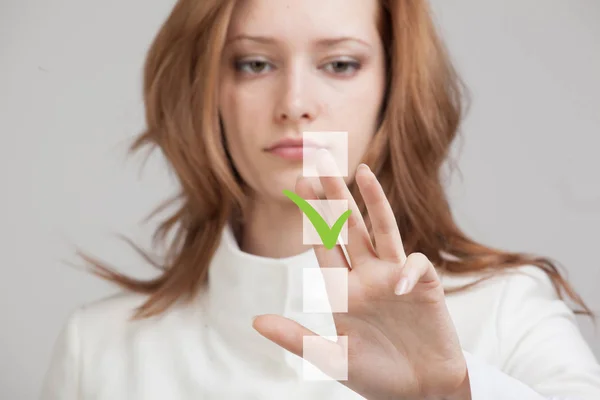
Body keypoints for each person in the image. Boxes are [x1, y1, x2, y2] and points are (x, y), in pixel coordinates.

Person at [40, 0, 600, 399]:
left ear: (393, 88)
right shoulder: (101, 348)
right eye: (255, 63)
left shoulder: (504, 311)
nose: (296, 103)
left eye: (339, 64)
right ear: (205, 89)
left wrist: (447, 395)